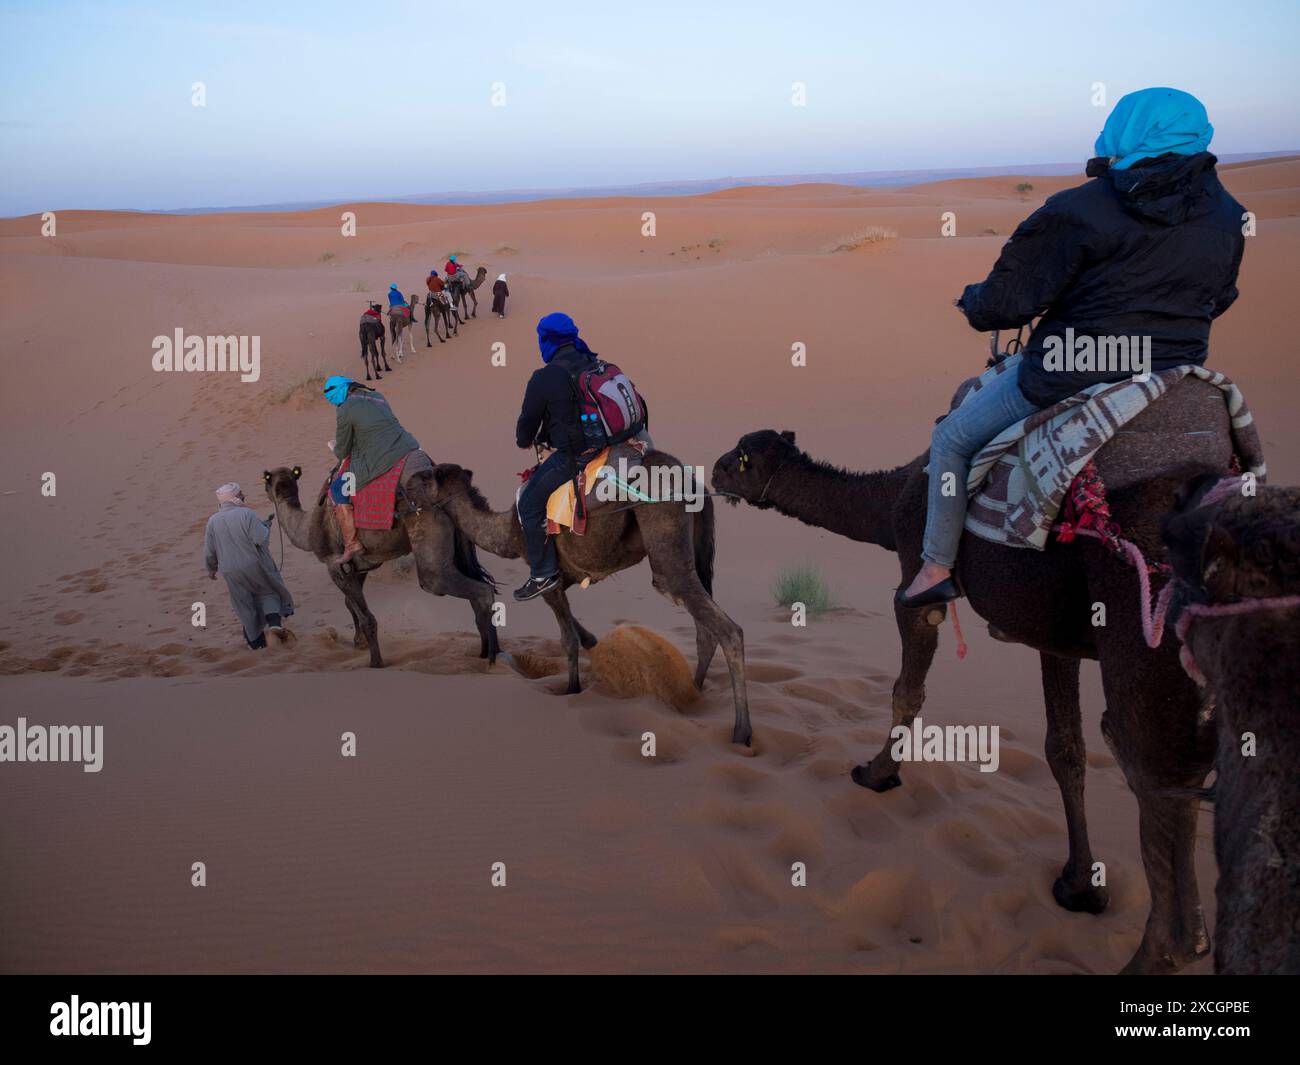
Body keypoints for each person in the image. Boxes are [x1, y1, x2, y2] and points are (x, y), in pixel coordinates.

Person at [900, 87, 1246, 607]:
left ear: (1125, 130)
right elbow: (1219, 298)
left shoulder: (1078, 209)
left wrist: (972, 302)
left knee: (952, 439)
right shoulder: (1229, 214)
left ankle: (934, 568)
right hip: (1175, 371)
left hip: (1070, 369)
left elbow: (1009, 303)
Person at [512, 312, 598, 600]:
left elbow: (527, 424)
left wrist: (524, 441)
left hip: (575, 456)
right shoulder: (593, 362)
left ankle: (542, 574)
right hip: (609, 445)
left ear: (546, 340)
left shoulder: (545, 377)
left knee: (528, 503)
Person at [323, 374, 424, 564]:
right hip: (409, 446)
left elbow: (343, 450)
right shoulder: (377, 396)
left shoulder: (344, 409)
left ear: (339, 392)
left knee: (338, 489)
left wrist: (334, 446)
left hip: (381, 459)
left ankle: (351, 543)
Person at [204, 483, 295, 649]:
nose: (243, 496)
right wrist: (265, 527)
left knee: (244, 603)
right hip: (253, 565)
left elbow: (210, 551)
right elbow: (261, 539)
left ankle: (256, 643)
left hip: (229, 571)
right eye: (240, 494)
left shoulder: (212, 521)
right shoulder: (246, 514)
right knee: (268, 592)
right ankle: (274, 626)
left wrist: (211, 570)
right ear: (234, 498)